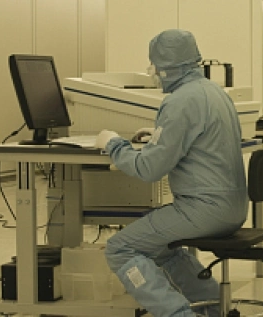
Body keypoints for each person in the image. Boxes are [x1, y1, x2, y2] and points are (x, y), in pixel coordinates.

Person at [94, 29, 248, 317]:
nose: (151, 71)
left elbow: (149, 168)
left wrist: (113, 144)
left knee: (119, 248)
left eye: (154, 64)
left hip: (203, 210)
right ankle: (214, 310)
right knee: (161, 248)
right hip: (233, 208)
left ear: (165, 67)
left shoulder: (180, 100)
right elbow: (202, 137)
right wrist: (162, 136)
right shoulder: (214, 91)